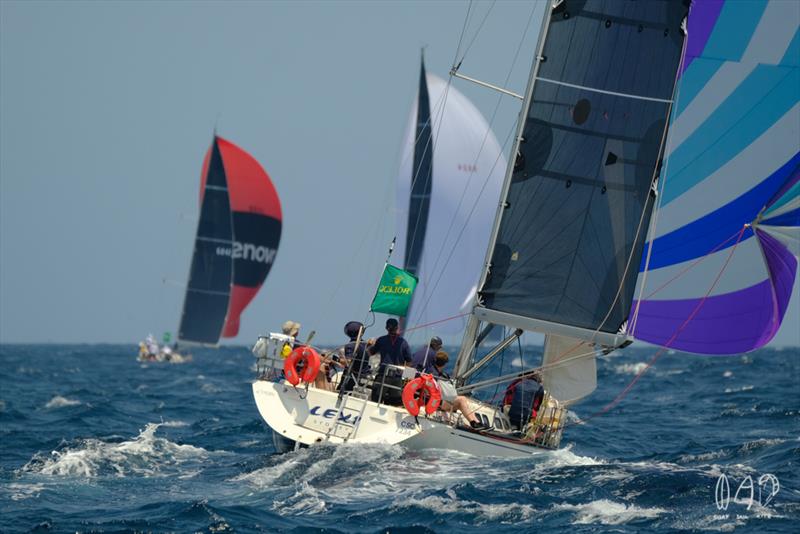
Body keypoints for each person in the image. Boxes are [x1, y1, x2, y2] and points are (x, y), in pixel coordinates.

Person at [431, 351, 489, 431]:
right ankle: (473, 422)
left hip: (439, 401)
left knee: (463, 399)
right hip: (438, 402)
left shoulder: (434, 373)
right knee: (462, 400)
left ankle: (476, 422)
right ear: (444, 364)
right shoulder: (438, 375)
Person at [338, 321, 371, 393]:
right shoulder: (365, 344)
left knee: (339, 389)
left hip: (352, 379)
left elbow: (348, 362)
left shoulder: (351, 345)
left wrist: (337, 360)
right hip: (364, 376)